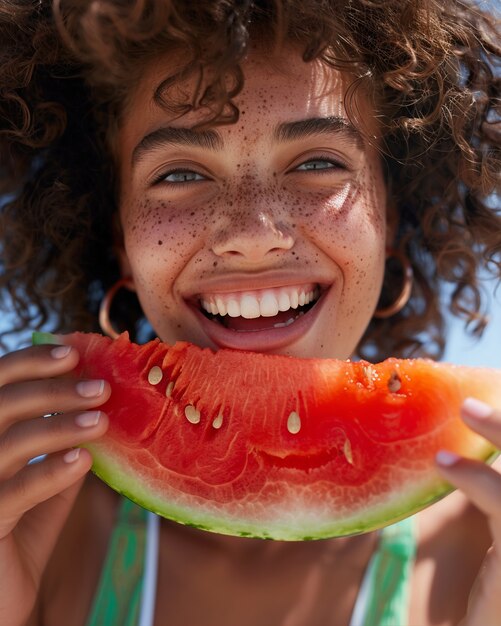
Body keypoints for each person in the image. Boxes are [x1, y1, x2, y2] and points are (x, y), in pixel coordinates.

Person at [0, 0, 500, 624]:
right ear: (118, 238)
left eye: (318, 163)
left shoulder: (480, 552)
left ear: (391, 218)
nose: (253, 233)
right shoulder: (37, 538)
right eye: (180, 173)